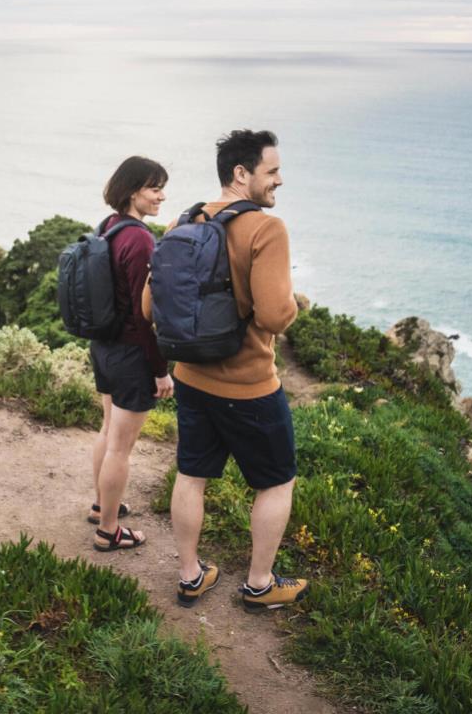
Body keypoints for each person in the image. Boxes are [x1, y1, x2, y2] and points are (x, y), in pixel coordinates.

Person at [142, 130, 308, 611]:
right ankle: (259, 584)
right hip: (250, 386)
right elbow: (276, 317)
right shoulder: (266, 229)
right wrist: (289, 301)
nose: (280, 180)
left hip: (191, 379)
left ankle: (191, 575)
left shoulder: (180, 222)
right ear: (242, 173)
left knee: (192, 474)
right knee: (275, 482)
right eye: (272, 171)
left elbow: (149, 307)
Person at [89, 156, 174, 552]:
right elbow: (145, 318)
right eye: (154, 187)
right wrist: (161, 371)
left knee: (107, 433)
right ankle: (109, 531)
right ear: (132, 190)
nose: (161, 195)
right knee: (121, 447)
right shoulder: (139, 238)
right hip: (130, 355)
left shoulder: (108, 227)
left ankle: (100, 506)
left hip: (104, 347)